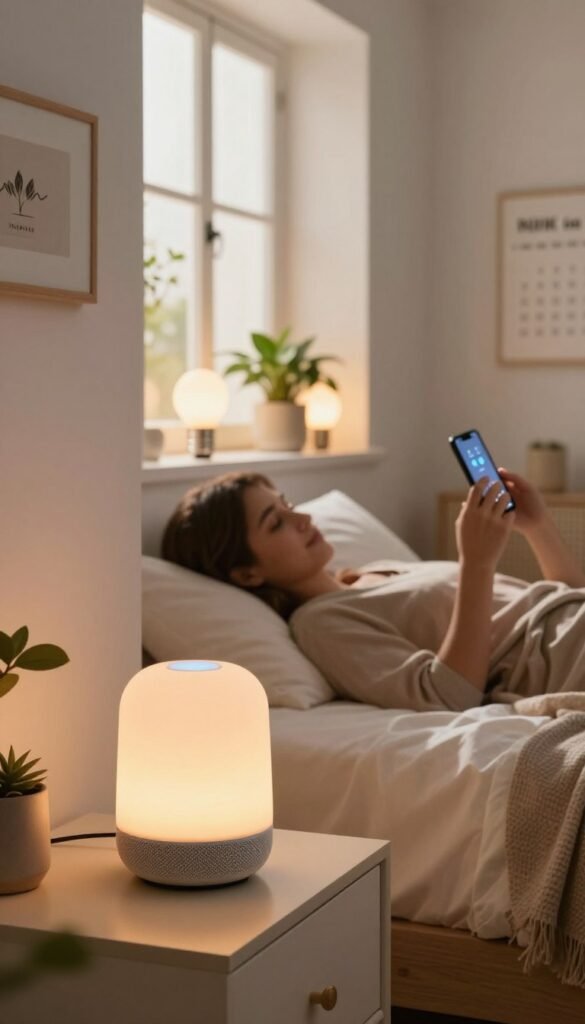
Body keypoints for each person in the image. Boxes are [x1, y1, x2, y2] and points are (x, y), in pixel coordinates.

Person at [162, 470, 585, 712]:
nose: (303, 519)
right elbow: (446, 696)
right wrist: (476, 563)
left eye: (288, 504)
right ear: (246, 574)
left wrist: (538, 526)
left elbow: (559, 597)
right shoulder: (322, 624)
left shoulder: (374, 572)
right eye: (276, 523)